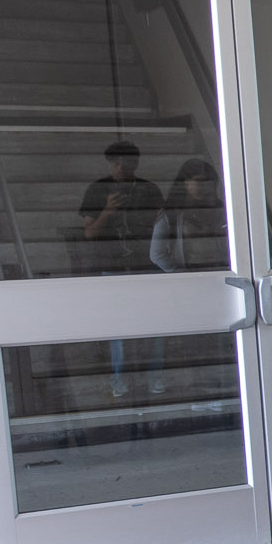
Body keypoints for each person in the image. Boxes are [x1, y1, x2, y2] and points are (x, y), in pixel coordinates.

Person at [79, 139, 166, 397]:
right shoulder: (98, 189)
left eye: (126, 163)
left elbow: (163, 226)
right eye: (115, 163)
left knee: (157, 325)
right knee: (118, 328)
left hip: (146, 265)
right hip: (112, 267)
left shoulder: (150, 190)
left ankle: (156, 377)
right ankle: (119, 379)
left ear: (136, 163)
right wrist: (108, 210)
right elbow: (89, 233)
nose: (120, 167)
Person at [150, 158, 229, 273]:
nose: (206, 187)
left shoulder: (223, 210)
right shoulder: (171, 213)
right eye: (200, 181)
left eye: (210, 182)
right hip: (189, 279)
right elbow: (156, 254)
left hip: (222, 275)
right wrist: (182, 275)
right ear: (185, 183)